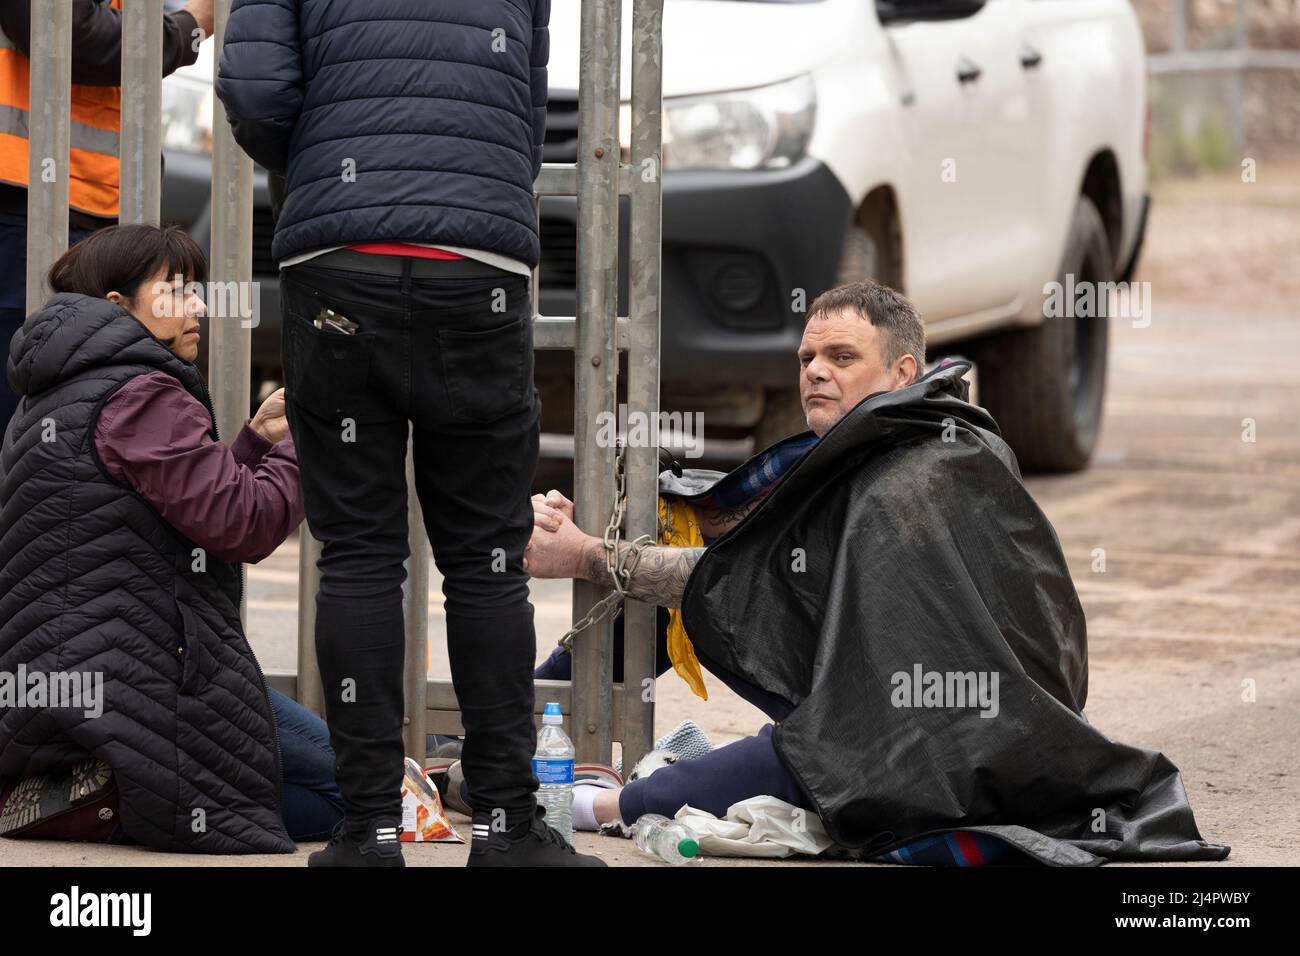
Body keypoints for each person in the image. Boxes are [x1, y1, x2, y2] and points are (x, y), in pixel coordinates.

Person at [523, 279, 1230, 866]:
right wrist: (597, 536)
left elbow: (752, 582)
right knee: (697, 587)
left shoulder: (920, 471)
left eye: (839, 355)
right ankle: (524, 722)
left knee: (818, 750)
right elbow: (751, 561)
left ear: (901, 374)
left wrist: (586, 555)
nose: (814, 372)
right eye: (806, 357)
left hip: (967, 736)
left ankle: (598, 804)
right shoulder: (897, 442)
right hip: (900, 696)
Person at [214, 0, 601, 867]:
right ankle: (506, 828)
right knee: (486, 559)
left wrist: (324, 168)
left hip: (337, 259)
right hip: (478, 263)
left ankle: (369, 831)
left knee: (356, 551)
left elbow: (255, 86)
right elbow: (526, 107)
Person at [0, 224, 343, 851]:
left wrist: (255, 445)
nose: (201, 308)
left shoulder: (54, 393)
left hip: (76, 671)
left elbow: (168, 510)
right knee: (349, 791)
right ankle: (110, 804)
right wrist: (304, 444)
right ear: (116, 305)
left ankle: (104, 786)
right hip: (147, 677)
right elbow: (244, 524)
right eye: (177, 291)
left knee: (308, 772)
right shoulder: (142, 391)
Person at [0, 0, 216, 427]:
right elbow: (65, 32)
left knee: (85, 408)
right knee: (24, 407)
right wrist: (191, 27)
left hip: (96, 205)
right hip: (28, 197)